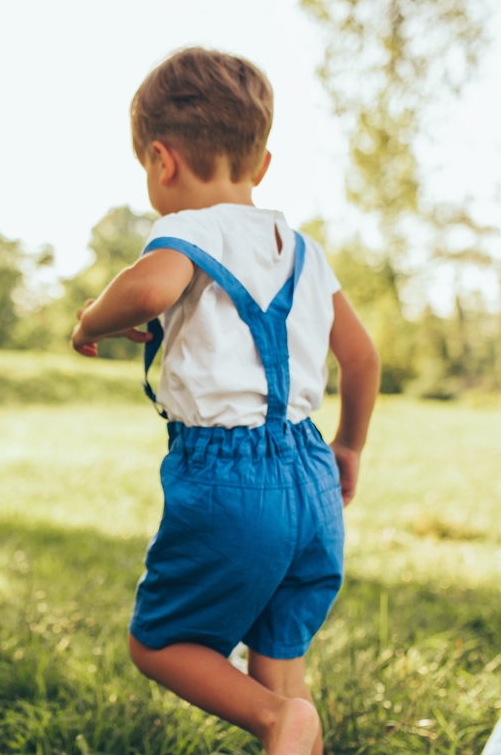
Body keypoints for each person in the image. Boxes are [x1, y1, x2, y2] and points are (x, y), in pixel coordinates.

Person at [70, 48, 380, 755]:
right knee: (279, 665)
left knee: (159, 642)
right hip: (312, 477)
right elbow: (360, 355)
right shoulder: (304, 251)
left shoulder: (188, 230)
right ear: (261, 164)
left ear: (161, 160)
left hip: (230, 482)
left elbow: (149, 292)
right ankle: (287, 718)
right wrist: (350, 444)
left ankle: (280, 723)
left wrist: (90, 320)